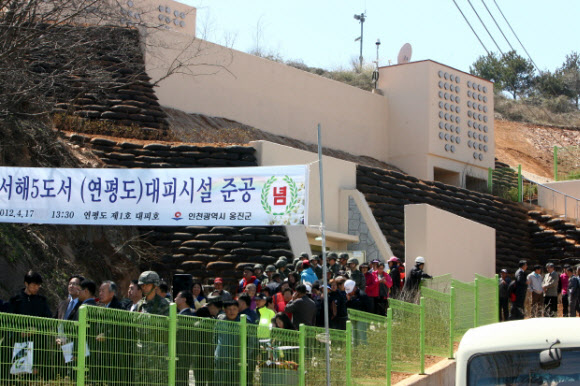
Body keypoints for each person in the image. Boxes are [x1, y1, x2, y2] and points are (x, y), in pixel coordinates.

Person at [214, 300, 241, 385]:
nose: (232, 311)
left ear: (238, 310)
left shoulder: (243, 322)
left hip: (237, 361)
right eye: (229, 309)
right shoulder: (220, 321)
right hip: (221, 359)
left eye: (234, 309)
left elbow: (250, 342)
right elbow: (214, 338)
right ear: (224, 310)